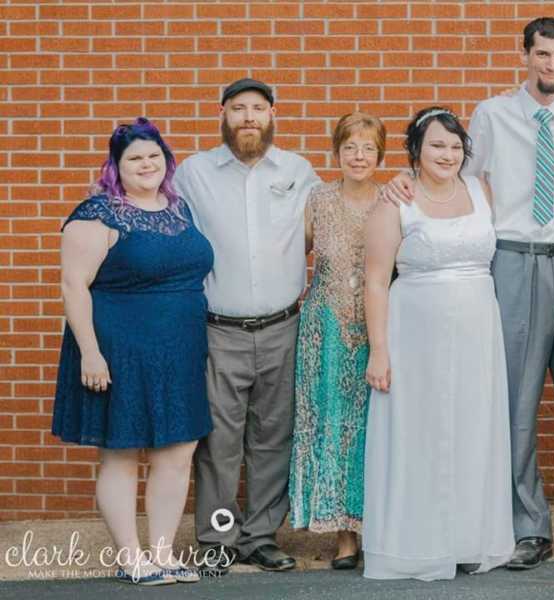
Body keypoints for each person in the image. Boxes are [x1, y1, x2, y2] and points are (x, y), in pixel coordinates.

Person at [384, 16, 554, 570]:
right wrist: (402, 180)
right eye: (542, 54)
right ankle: (529, 527)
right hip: (515, 261)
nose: (552, 65)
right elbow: (453, 177)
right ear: (524, 55)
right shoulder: (494, 114)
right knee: (516, 401)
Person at [52, 118, 212, 585]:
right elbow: (73, 286)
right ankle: (131, 558)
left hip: (179, 349)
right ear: (116, 166)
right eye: (134, 158)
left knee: (178, 451)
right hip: (118, 349)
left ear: (166, 161)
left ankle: (162, 554)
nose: (146, 164)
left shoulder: (179, 209)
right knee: (121, 453)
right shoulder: (97, 214)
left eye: (154, 156)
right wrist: (90, 352)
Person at [362, 107, 515, 581]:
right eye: (436, 145)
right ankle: (420, 543)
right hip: (415, 336)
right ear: (416, 150)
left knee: (473, 431)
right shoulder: (395, 200)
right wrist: (379, 349)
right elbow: (374, 282)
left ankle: (469, 539)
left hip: (476, 334)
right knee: (421, 434)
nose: (447, 154)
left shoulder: (480, 190)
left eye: (454, 146)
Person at [174, 78, 320, 574]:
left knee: (273, 436)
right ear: (223, 113)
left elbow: (338, 214)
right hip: (219, 329)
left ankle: (260, 535)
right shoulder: (193, 173)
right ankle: (218, 538)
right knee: (218, 441)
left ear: (274, 113)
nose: (249, 117)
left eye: (258, 108)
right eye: (239, 109)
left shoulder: (298, 171)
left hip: (284, 325)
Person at [287, 112, 385, 570]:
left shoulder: (394, 199)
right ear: (337, 153)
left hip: (377, 328)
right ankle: (344, 536)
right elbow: (290, 253)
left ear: (380, 154)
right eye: (350, 147)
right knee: (332, 425)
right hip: (323, 327)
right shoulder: (318, 199)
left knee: (373, 427)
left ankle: (378, 527)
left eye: (367, 148)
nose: (358, 156)